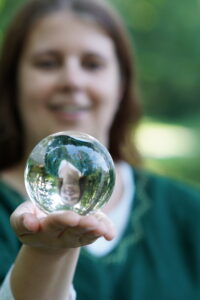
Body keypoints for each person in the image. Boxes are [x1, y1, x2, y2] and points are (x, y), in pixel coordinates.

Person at [0, 0, 199, 299]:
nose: (72, 80)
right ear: (14, 82)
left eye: (92, 64)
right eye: (48, 63)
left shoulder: (187, 211)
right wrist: (46, 254)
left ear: (120, 84)